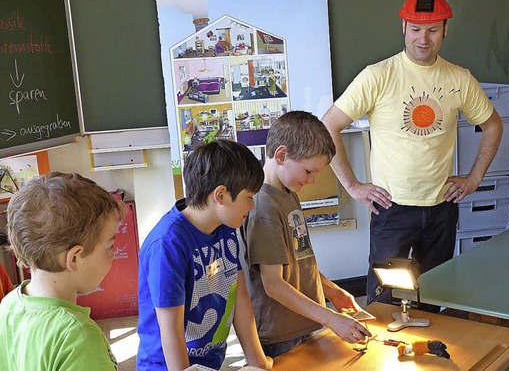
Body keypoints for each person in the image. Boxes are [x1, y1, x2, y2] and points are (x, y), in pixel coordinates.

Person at [321, 0, 503, 307]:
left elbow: (493, 125)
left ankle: (429, 350)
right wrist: (352, 185)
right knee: (384, 297)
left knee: (433, 294)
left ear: (445, 30)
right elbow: (328, 125)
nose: (424, 38)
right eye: (416, 29)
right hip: (392, 208)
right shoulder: (377, 76)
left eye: (432, 30)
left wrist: (474, 179)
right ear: (404, 27)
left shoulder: (459, 79)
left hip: (441, 207)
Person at [239, 111, 371, 358]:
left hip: (306, 322)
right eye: (309, 171)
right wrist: (332, 319)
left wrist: (332, 291)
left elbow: (299, 261)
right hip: (282, 335)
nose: (312, 180)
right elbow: (274, 284)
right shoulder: (264, 207)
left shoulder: (288, 192)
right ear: (281, 155)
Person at [137, 139, 273, 371]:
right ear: (220, 195)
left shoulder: (226, 227)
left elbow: (238, 293)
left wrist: (258, 362)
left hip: (209, 363)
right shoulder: (168, 243)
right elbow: (170, 328)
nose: (251, 206)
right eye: (248, 197)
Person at [0, 172, 125, 370]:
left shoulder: (8, 305)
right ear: (73, 258)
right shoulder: (78, 336)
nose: (113, 255)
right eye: (109, 247)